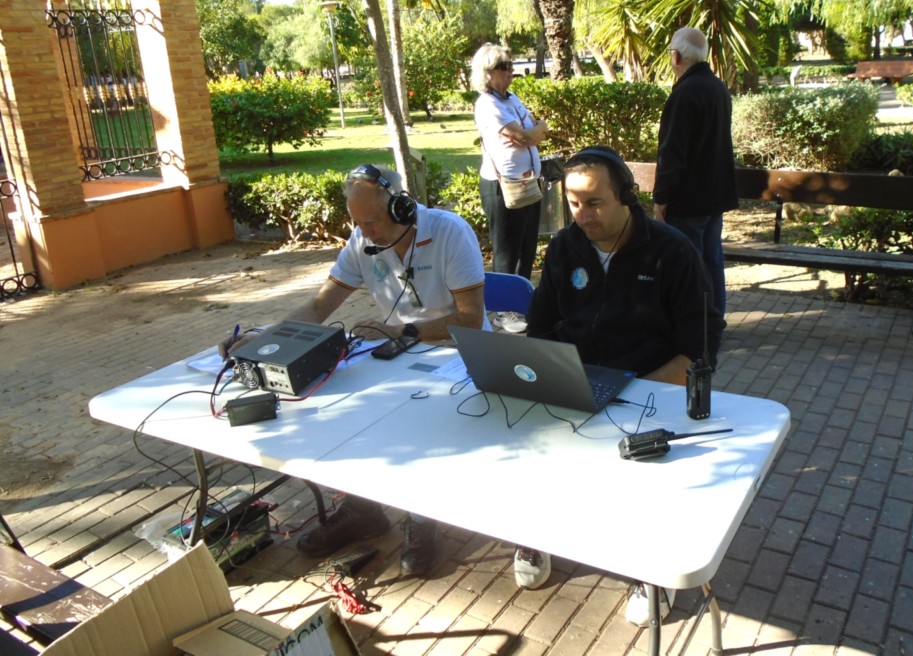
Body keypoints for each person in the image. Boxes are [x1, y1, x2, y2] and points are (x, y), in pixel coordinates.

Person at [222, 164, 487, 576]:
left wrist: (400, 329)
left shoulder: (450, 232)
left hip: (459, 355)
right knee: (346, 414)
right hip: (400, 352)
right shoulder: (362, 240)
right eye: (356, 222)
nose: (365, 233)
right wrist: (263, 338)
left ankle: (421, 520)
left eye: (372, 221)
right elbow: (317, 307)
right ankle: (364, 510)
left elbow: (470, 320)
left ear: (401, 209)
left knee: (417, 426)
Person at [524, 145, 725, 625]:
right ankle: (533, 533)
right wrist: (542, 372)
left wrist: (632, 390)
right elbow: (539, 328)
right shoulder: (564, 246)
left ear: (628, 198)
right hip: (575, 380)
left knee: (640, 476)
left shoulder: (672, 251)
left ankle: (647, 568)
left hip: (647, 387)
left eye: (594, 203)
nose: (582, 216)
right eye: (573, 203)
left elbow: (699, 347)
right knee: (528, 446)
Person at [653, 27, 738, 315]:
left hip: (688, 199)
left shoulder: (684, 93)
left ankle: (696, 327)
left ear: (676, 56)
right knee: (713, 260)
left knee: (690, 264)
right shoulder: (718, 88)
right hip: (716, 194)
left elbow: (672, 153)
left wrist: (661, 198)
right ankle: (713, 322)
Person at [471, 43, 549, 333]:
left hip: (529, 183)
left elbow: (536, 132)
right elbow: (529, 135)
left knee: (528, 247)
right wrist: (532, 133)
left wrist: (532, 133)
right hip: (502, 186)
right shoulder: (487, 104)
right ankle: (503, 312)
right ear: (487, 73)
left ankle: (522, 305)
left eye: (510, 64)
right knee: (506, 252)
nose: (510, 71)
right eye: (503, 67)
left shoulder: (511, 98)